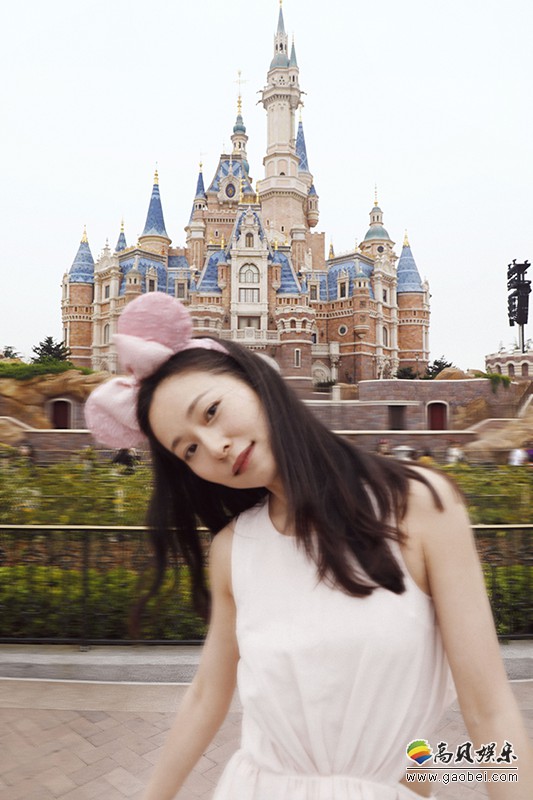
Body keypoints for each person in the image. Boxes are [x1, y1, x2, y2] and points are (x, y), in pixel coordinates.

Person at [85, 293, 532, 800]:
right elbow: (207, 695)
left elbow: (489, 711)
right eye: (188, 449)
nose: (214, 447)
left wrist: (416, 773)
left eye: (211, 411)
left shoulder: (419, 507)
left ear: (256, 382)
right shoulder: (234, 549)